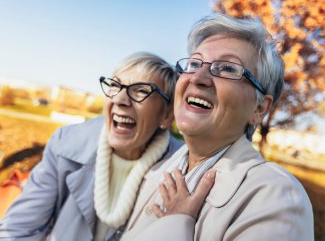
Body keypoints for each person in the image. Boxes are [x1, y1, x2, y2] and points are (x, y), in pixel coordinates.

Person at [120, 14, 314, 241]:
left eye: (227, 69)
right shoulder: (157, 169)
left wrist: (175, 225)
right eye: (194, 63)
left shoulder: (276, 198)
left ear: (259, 108)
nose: (198, 77)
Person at [0, 52, 183, 241]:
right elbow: (19, 229)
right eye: (115, 85)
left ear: (166, 115)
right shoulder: (66, 144)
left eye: (141, 90)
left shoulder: (183, 171)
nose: (120, 100)